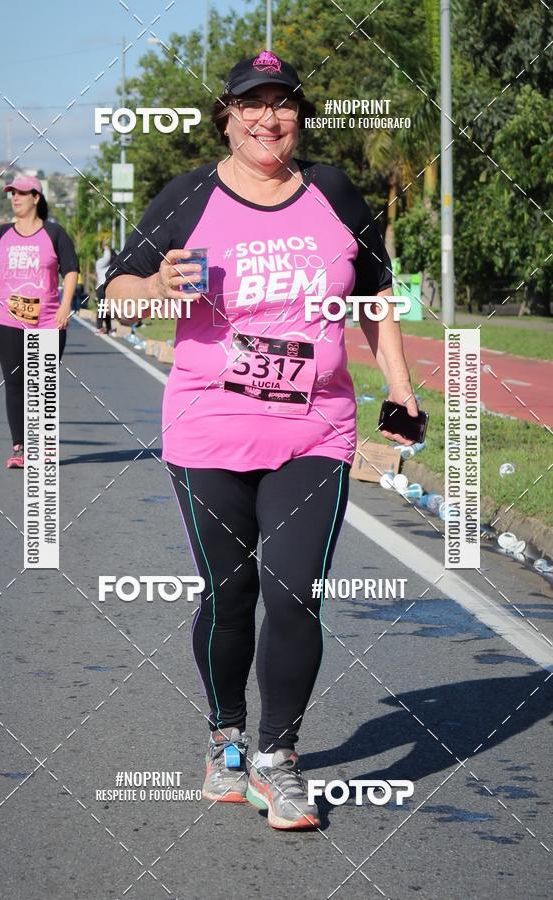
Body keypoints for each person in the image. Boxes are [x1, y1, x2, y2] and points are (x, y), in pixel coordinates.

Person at [104, 51, 419, 830]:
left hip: (316, 426)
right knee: (231, 591)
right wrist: (154, 288)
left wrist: (403, 391)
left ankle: (278, 758)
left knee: (293, 589)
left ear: (299, 116)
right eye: (253, 103)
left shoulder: (334, 190)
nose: (268, 118)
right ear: (228, 115)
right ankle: (226, 738)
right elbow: (116, 294)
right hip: (209, 427)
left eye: (283, 104)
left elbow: (378, 296)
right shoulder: (188, 197)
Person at [0, 175, 78, 469]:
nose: (15, 197)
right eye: (12, 192)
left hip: (47, 322)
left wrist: (65, 306)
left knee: (44, 385)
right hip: (7, 321)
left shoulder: (54, 234)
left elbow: (70, 271)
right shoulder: (1, 234)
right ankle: (20, 447)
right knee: (15, 383)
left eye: (22, 193)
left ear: (36, 198)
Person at [95, 244, 116, 335]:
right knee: (102, 308)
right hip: (101, 287)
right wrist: (107, 248)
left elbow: (119, 255)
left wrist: (113, 250)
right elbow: (107, 257)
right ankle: (99, 327)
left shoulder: (111, 263)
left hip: (109, 287)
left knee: (108, 309)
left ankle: (108, 328)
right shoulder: (100, 262)